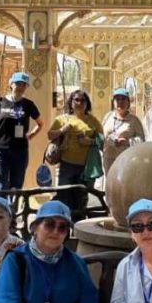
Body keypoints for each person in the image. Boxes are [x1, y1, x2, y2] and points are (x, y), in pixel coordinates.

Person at [47, 89, 104, 219]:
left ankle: (78, 227)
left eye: (82, 100)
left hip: (86, 168)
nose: (79, 103)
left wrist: (89, 141)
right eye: (76, 100)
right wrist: (62, 130)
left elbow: (102, 141)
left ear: (87, 103)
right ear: (71, 102)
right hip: (66, 166)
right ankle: (64, 226)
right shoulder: (62, 119)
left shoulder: (93, 121)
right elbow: (50, 135)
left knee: (81, 200)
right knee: (64, 197)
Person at [0, 71, 44, 192]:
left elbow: (40, 123)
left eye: (24, 85)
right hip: (0, 149)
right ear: (11, 84)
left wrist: (31, 134)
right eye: (18, 84)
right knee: (1, 185)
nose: (20, 87)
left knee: (16, 186)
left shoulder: (28, 104)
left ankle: (13, 205)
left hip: (20, 151)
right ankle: (1, 204)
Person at [101, 88, 145, 176]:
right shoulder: (108, 117)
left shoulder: (134, 120)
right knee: (109, 183)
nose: (120, 102)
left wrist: (127, 142)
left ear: (128, 102)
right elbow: (101, 135)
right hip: (108, 160)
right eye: (117, 99)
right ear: (113, 102)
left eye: (123, 99)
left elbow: (141, 141)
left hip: (126, 161)